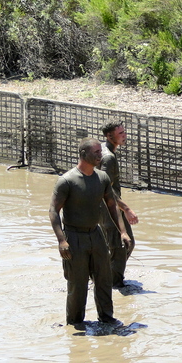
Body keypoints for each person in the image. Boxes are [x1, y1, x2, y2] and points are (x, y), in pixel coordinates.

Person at [49, 138, 131, 328]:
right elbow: (53, 210)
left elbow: (112, 206)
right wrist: (61, 240)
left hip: (96, 234)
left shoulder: (102, 178)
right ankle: (75, 323)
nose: (100, 155)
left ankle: (107, 318)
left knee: (104, 277)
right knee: (77, 283)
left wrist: (123, 232)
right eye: (95, 152)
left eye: (99, 151)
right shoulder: (67, 181)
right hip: (74, 237)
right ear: (83, 154)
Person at [99, 121, 139, 288]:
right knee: (121, 245)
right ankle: (112, 283)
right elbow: (106, 188)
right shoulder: (108, 157)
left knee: (122, 245)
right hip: (109, 208)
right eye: (120, 133)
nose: (125, 136)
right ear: (109, 136)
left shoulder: (103, 150)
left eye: (124, 132)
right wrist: (127, 209)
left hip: (106, 207)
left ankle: (103, 275)